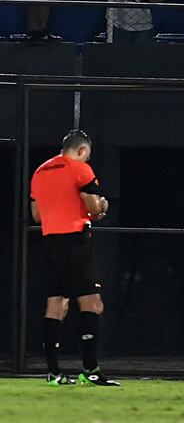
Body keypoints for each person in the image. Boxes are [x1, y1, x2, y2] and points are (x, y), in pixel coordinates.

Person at [30, 130, 118, 387]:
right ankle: (90, 369)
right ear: (81, 151)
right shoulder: (81, 170)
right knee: (92, 303)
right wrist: (102, 205)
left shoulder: (40, 172)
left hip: (49, 243)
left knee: (56, 305)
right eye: (86, 155)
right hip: (75, 242)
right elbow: (93, 207)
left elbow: (37, 214)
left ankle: (54, 372)